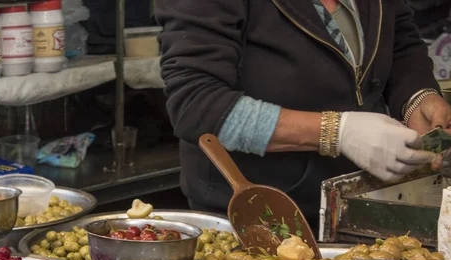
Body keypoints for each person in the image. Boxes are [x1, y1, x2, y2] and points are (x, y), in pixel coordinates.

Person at [155, 0, 451, 229]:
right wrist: (336, 131)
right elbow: (196, 105)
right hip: (262, 219)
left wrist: (416, 97)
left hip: (361, 204)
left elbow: (399, 41)